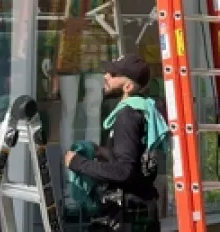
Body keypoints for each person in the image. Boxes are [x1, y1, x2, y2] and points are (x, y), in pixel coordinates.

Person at [64, 54, 165, 232]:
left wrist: (78, 163)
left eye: (113, 74)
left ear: (128, 86)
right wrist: (101, 152)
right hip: (136, 209)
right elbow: (134, 157)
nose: (106, 76)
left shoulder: (127, 116)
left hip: (125, 215)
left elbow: (124, 171)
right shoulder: (140, 109)